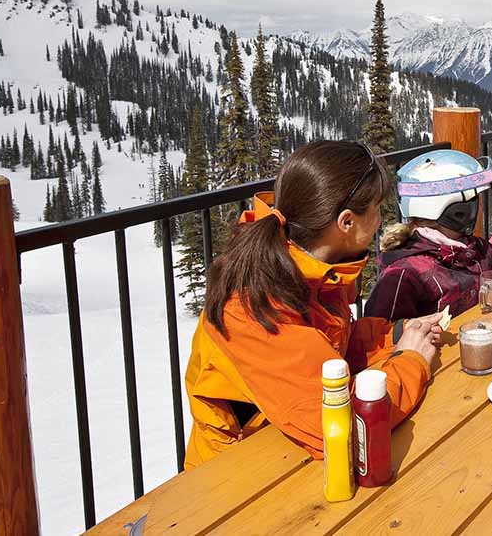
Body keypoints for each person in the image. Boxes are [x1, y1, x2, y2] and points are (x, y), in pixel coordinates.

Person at [184, 140, 441, 468]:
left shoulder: (306, 265)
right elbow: (346, 426)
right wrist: (411, 361)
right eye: (377, 206)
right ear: (346, 222)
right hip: (240, 478)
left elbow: (324, 348)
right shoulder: (254, 305)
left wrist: (395, 334)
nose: (381, 217)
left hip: (286, 448)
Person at [366, 149, 492, 321]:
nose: (481, 206)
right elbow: (379, 334)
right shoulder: (404, 274)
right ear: (458, 211)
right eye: (476, 200)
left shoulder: (469, 247)